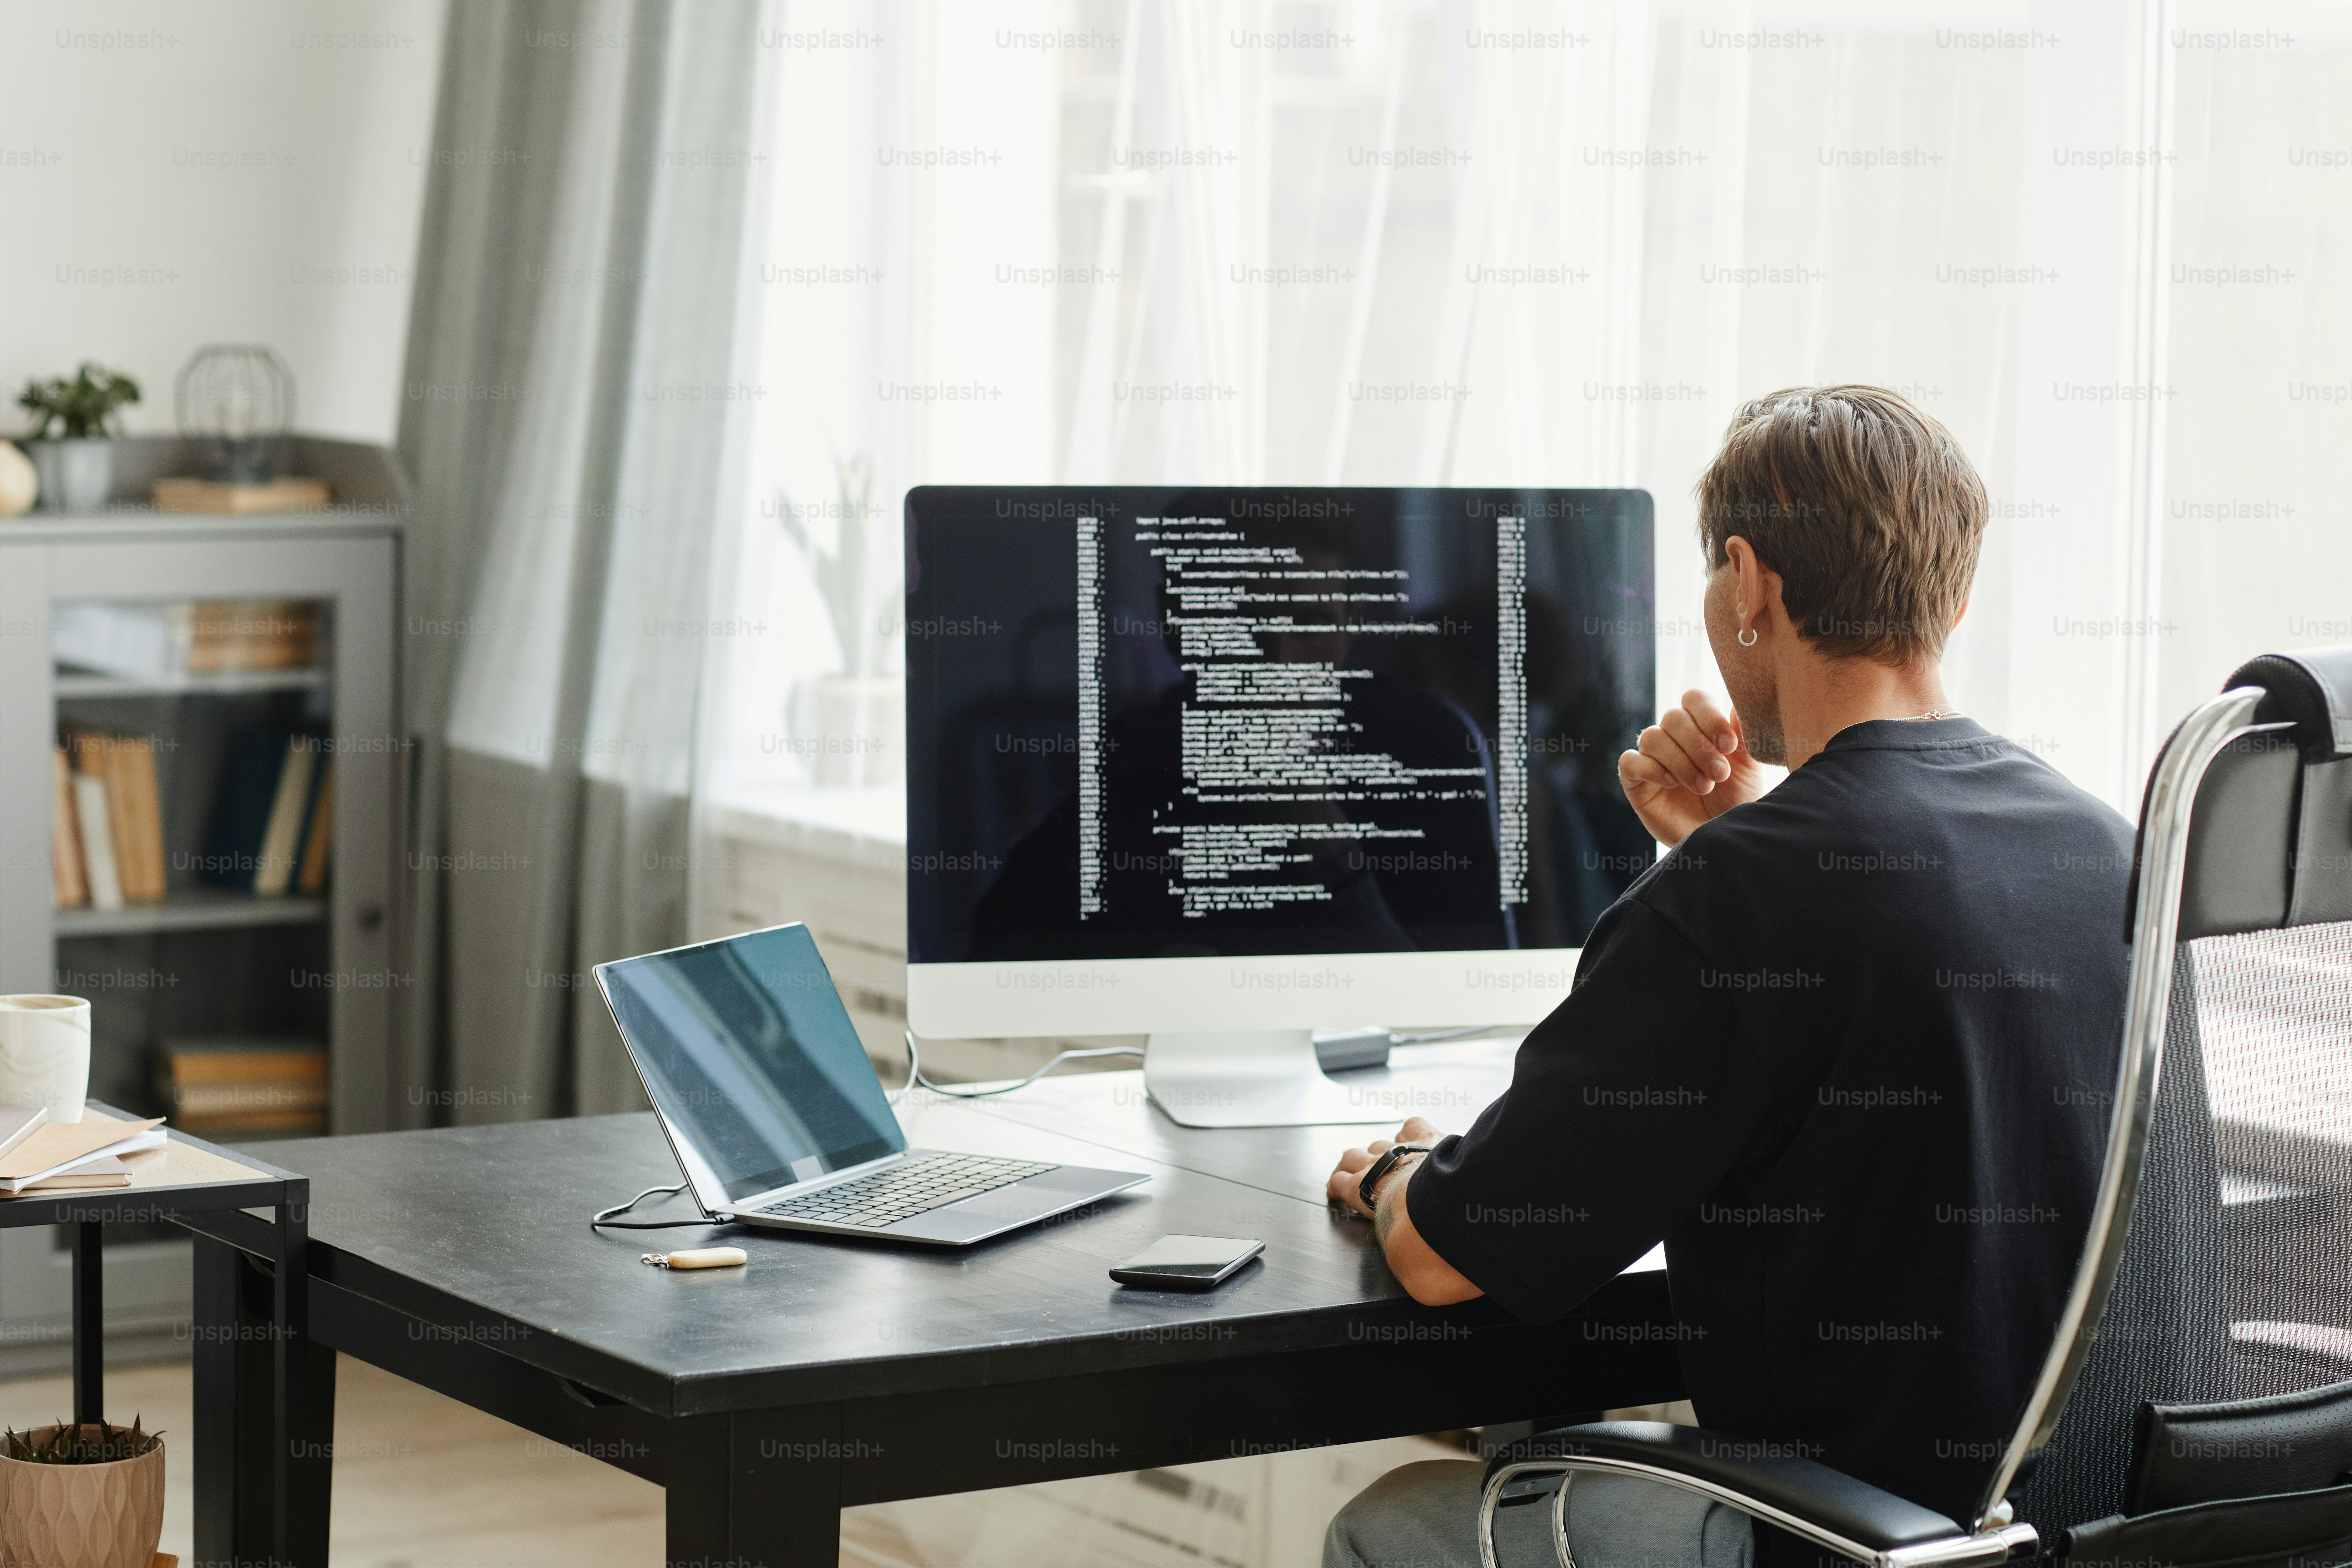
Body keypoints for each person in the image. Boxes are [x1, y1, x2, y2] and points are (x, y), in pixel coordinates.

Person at [1320, 385, 2136, 1568]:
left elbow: (1444, 1260)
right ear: (1953, 596)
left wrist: (1398, 1171)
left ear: (1748, 582)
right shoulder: (2110, 847)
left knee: (1388, 1525)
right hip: (2101, 1535)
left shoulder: (1747, 895)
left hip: (1864, 1548)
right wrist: (1736, 850)